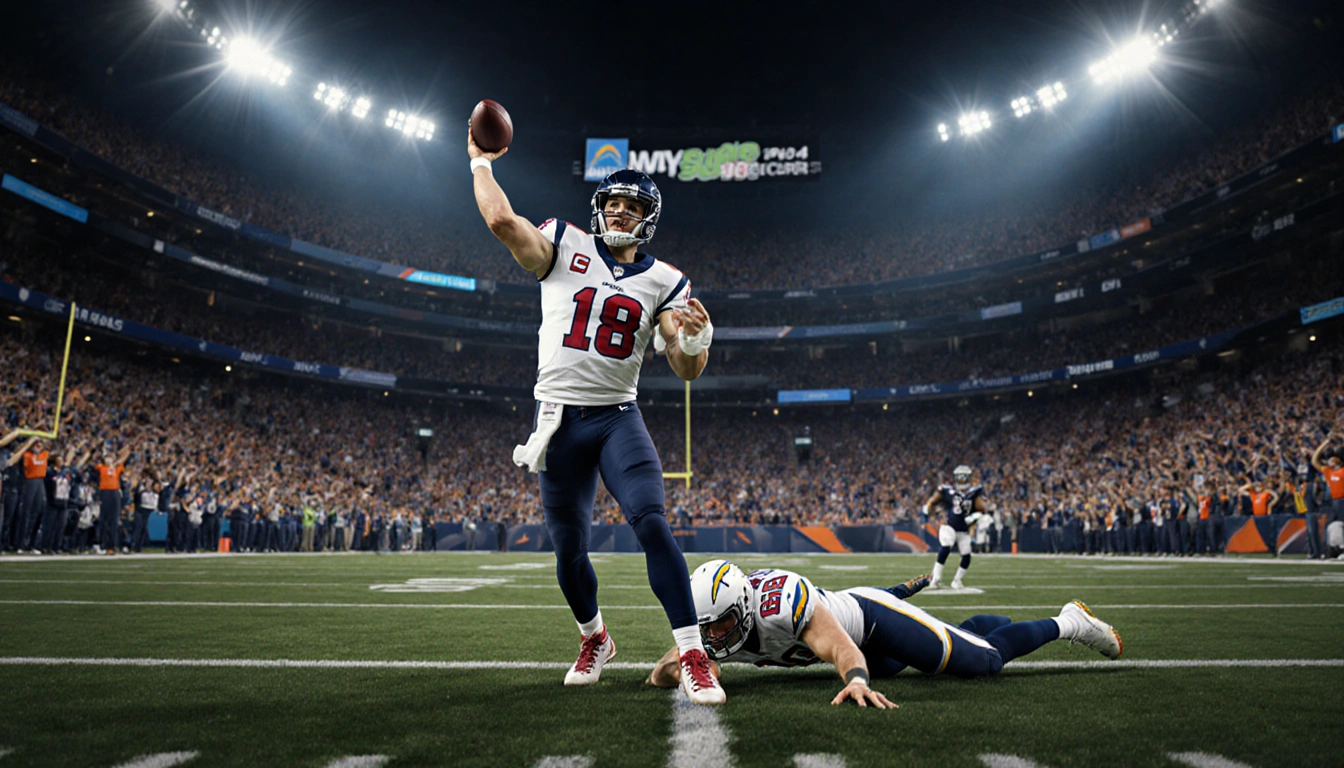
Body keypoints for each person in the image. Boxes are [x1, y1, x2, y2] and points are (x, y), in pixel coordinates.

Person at [469, 129, 724, 704]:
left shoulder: (667, 280)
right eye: (612, 203)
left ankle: (692, 654)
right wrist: (480, 163)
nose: (619, 212)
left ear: (649, 218)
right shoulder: (563, 242)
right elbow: (503, 224)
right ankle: (595, 638)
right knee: (568, 548)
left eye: (632, 207)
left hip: (616, 418)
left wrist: (697, 337)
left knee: (652, 522)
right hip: (558, 419)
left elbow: (686, 368)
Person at [648, 560, 1122, 707]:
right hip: (866, 637)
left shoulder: (782, 602)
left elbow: (841, 648)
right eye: (708, 627)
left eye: (723, 624)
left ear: (746, 607)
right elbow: (659, 674)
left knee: (983, 663)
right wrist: (685, 665)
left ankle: (1070, 621)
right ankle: (971, 631)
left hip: (870, 622)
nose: (716, 634)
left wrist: (856, 679)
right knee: (956, 645)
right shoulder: (713, 623)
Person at [923, 465, 985, 590]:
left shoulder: (974, 492)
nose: (961, 479)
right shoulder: (947, 490)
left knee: (967, 555)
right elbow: (932, 502)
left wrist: (974, 518)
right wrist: (929, 512)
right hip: (948, 525)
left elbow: (981, 509)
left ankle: (957, 580)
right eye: (959, 476)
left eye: (964, 476)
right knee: (946, 546)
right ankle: (935, 579)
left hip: (963, 527)